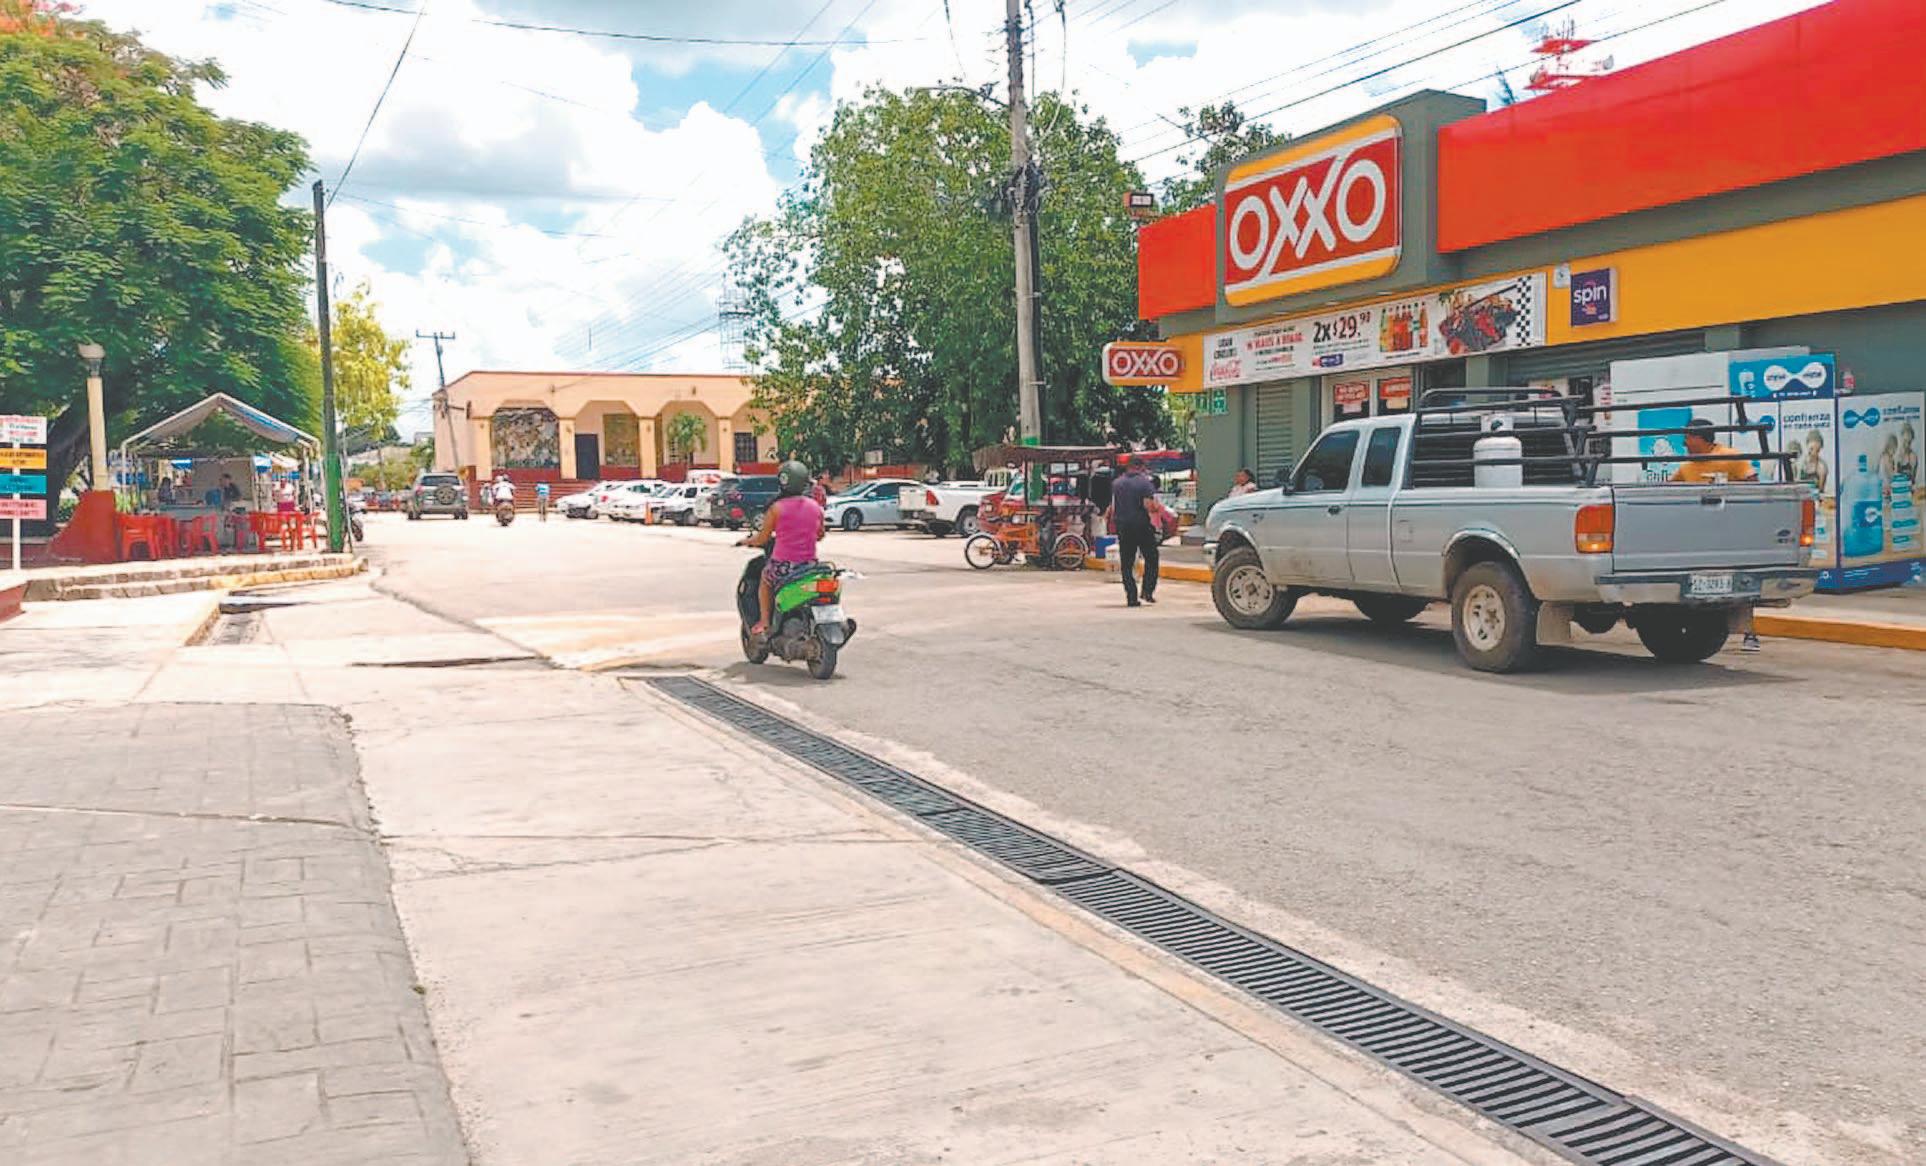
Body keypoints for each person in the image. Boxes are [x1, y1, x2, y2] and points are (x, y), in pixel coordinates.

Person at [736, 461, 823, 636]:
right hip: (809, 565)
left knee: (764, 580)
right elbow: (820, 534)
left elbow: (762, 538)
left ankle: (764, 621)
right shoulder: (816, 507)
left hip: (784, 566)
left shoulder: (776, 508)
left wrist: (747, 541)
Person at [1107, 460, 1161, 607]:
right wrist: (1156, 507)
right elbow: (1149, 506)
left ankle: (1131, 597)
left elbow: (1113, 507)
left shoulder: (1117, 483)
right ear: (1141, 467)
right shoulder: (1144, 483)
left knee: (1127, 563)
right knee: (1151, 558)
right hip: (1141, 525)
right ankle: (1147, 591)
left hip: (1123, 526)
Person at [1671, 419, 1757, 483]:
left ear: (1700, 439)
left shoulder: (1730, 456)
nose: (1684, 443)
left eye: (1687, 438)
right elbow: (1669, 490)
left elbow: (1754, 486)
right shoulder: (1685, 466)